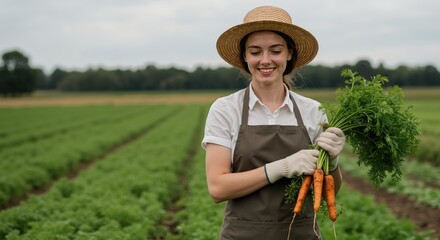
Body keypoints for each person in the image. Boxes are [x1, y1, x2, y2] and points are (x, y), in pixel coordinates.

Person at [202, 5, 346, 240]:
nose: (265, 60)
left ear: (289, 53)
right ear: (245, 56)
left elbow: (329, 192)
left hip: (302, 235)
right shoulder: (226, 109)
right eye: (255, 51)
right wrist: (280, 168)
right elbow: (218, 188)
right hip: (242, 235)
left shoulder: (313, 111)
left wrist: (333, 162)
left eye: (275, 51)